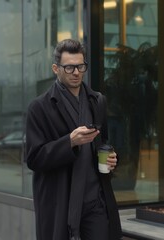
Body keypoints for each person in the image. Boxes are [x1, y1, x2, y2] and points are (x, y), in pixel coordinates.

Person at [25, 39, 122, 240]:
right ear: (56, 68)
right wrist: (69, 142)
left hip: (95, 200)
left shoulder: (97, 101)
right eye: (69, 67)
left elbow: (103, 143)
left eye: (80, 66)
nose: (76, 72)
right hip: (61, 201)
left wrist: (111, 158)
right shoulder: (39, 107)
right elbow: (33, 158)